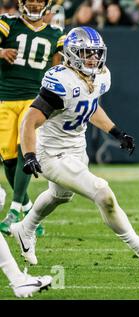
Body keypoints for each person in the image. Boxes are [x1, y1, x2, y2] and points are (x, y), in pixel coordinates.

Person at [10, 26, 139, 267]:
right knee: (103, 193)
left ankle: (25, 228)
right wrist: (29, 155)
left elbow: (89, 107)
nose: (94, 58)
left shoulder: (99, 76)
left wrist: (116, 132)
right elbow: (29, 121)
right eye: (87, 53)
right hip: (52, 153)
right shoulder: (61, 80)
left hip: (76, 147)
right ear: (73, 54)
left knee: (59, 196)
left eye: (97, 53)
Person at [0, 0, 65, 237]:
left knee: (23, 150)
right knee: (8, 158)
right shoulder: (7, 24)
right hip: (5, 99)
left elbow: (63, 63)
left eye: (39, 0)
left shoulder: (55, 33)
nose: (35, 4)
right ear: (21, 3)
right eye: (31, 0)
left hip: (34, 100)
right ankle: (28, 209)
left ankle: (14, 211)